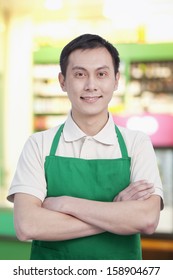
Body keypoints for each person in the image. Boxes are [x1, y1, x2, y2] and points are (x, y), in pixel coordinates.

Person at [7, 34, 163, 260]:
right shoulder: (38, 145)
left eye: (101, 74)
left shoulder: (137, 144)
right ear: (62, 81)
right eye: (80, 74)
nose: (91, 85)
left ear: (116, 80)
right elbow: (27, 225)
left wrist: (64, 204)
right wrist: (116, 213)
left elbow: (147, 220)